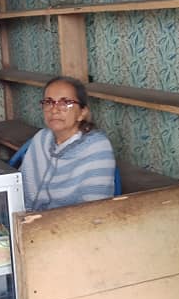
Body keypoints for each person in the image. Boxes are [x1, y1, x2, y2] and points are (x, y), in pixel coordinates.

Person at [20, 76, 117, 211]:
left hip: (72, 222)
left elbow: (95, 210)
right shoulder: (41, 139)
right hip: (29, 219)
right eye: (48, 102)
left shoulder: (97, 147)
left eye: (65, 103)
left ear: (82, 113)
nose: (54, 110)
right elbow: (19, 190)